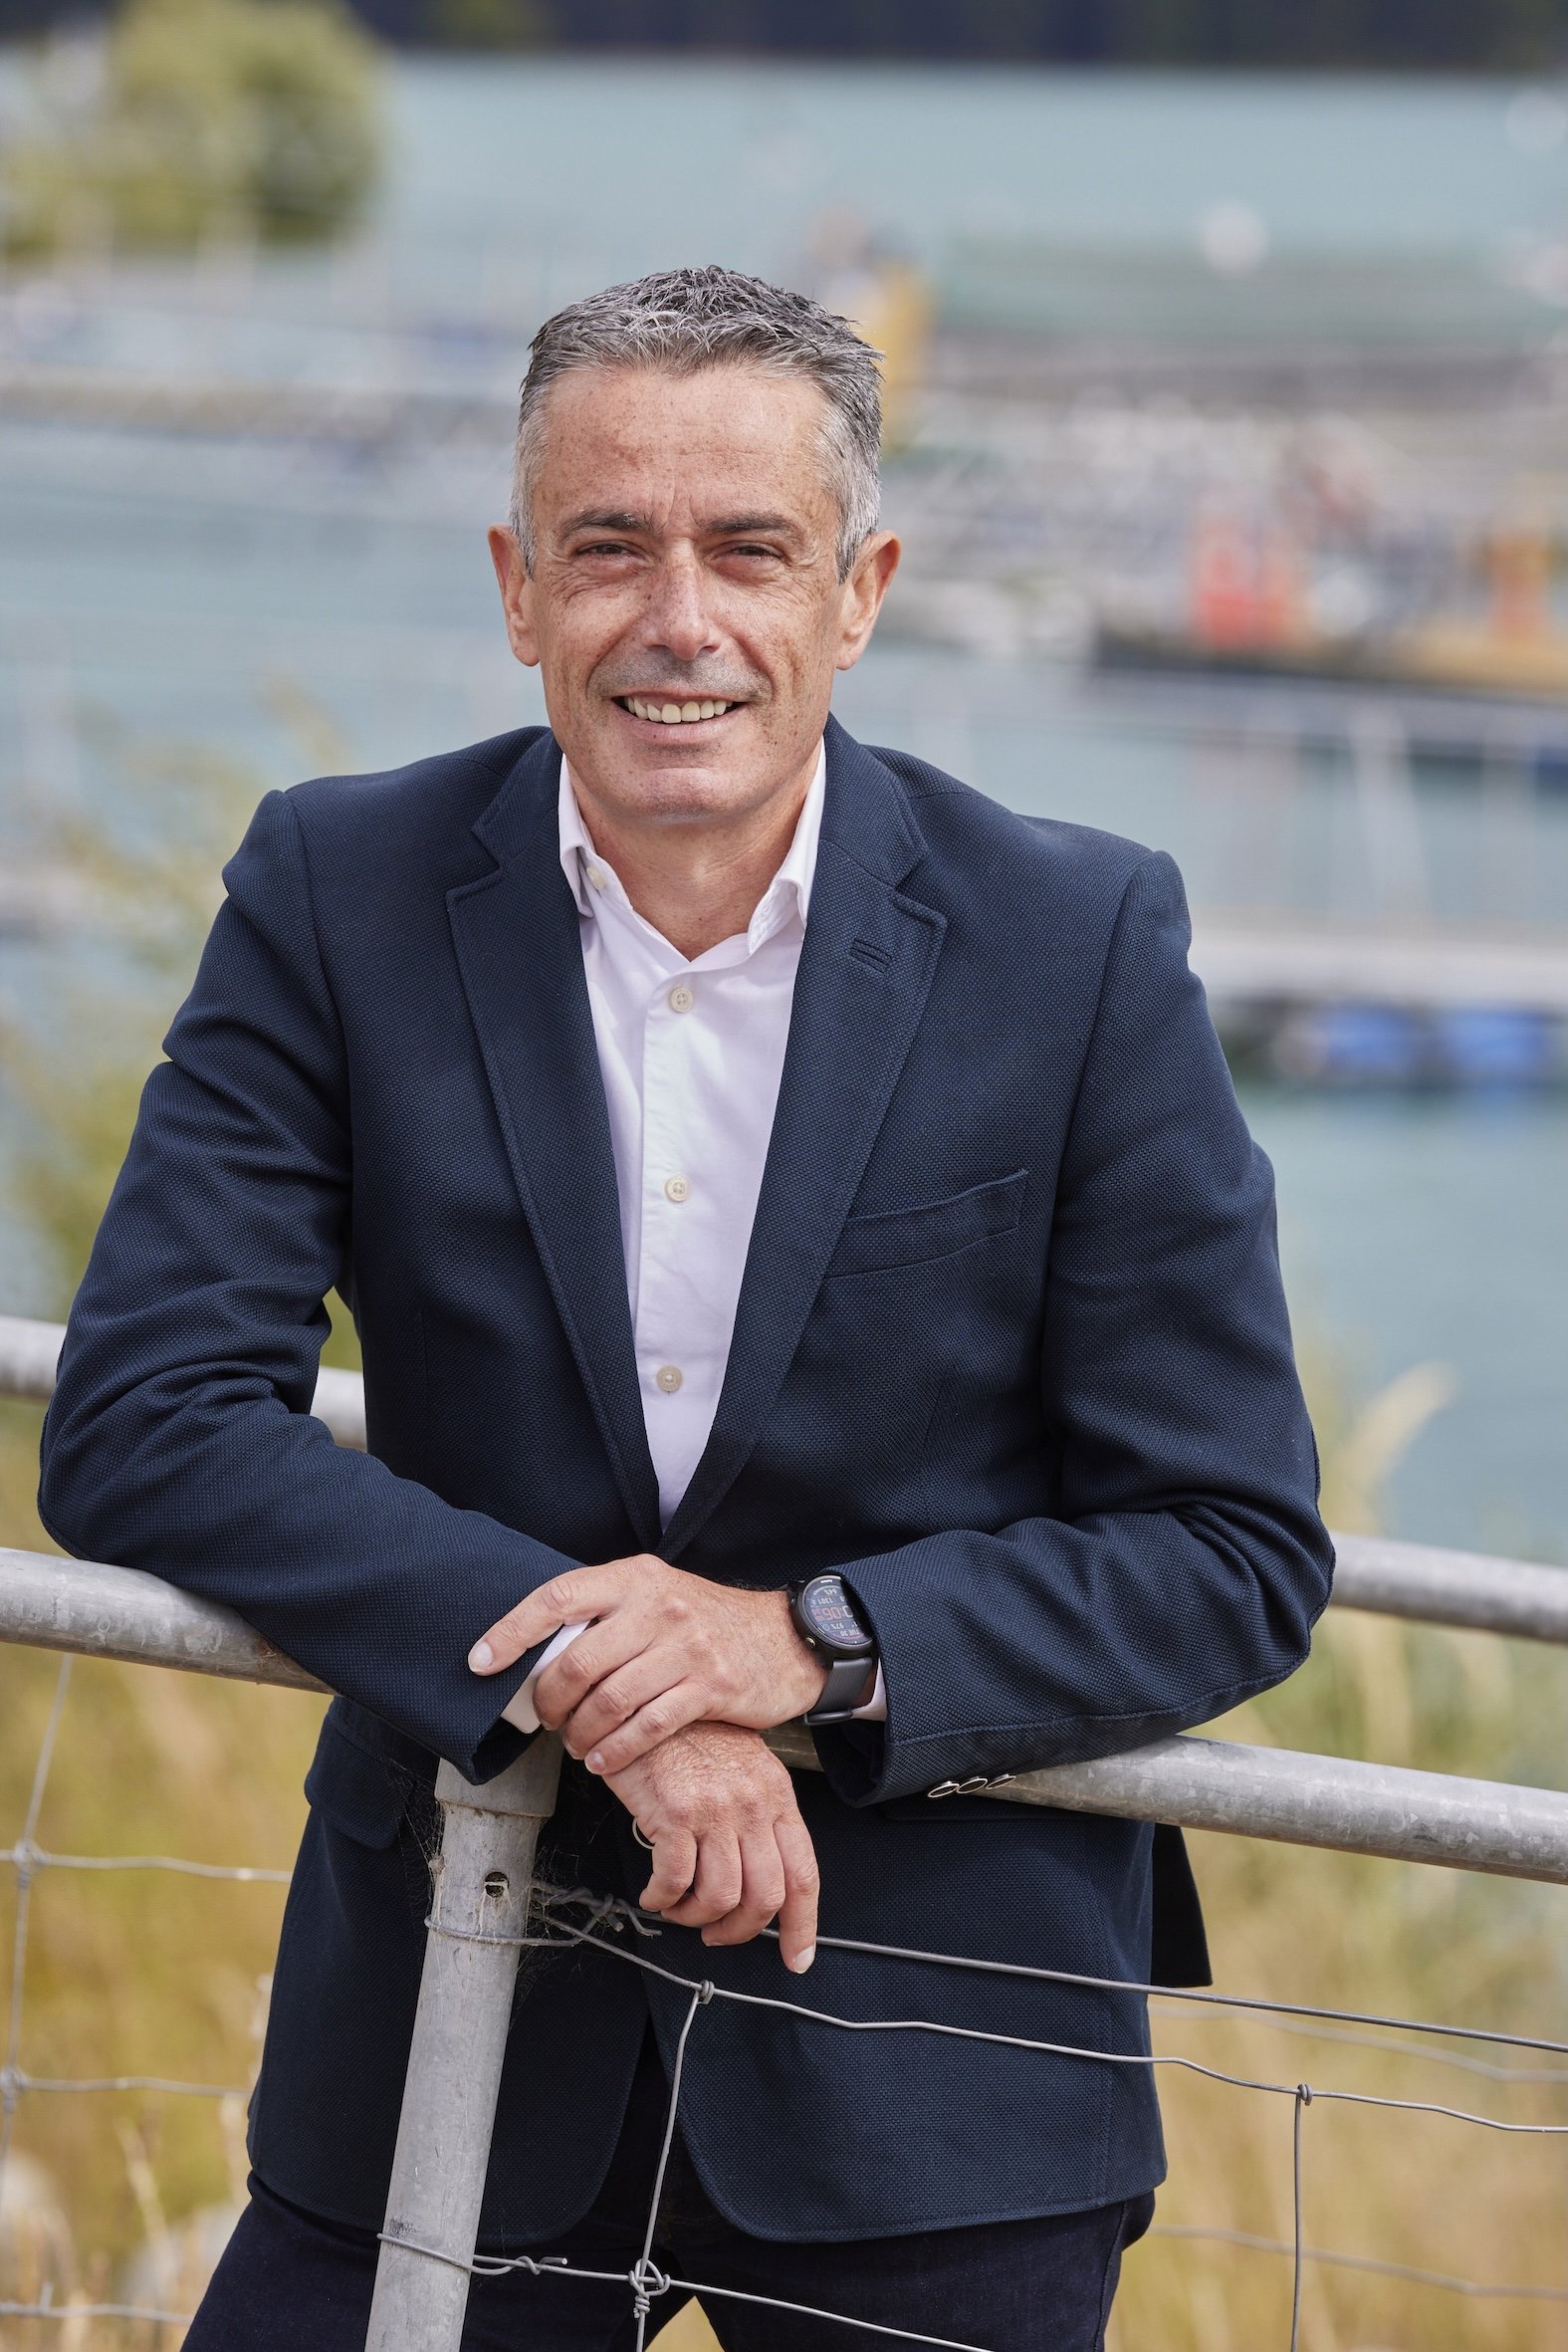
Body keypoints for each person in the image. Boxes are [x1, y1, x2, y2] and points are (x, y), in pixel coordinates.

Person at [39, 265, 1333, 2350]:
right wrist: (597, 1672)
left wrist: (794, 1650)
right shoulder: (333, 887)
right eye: (608, 545)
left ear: (859, 586)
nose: (678, 619)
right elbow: (147, 1415)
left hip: (934, 2051)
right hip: (445, 1995)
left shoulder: (1072, 941)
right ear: (513, 582)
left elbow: (1227, 1548)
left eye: (749, 548)